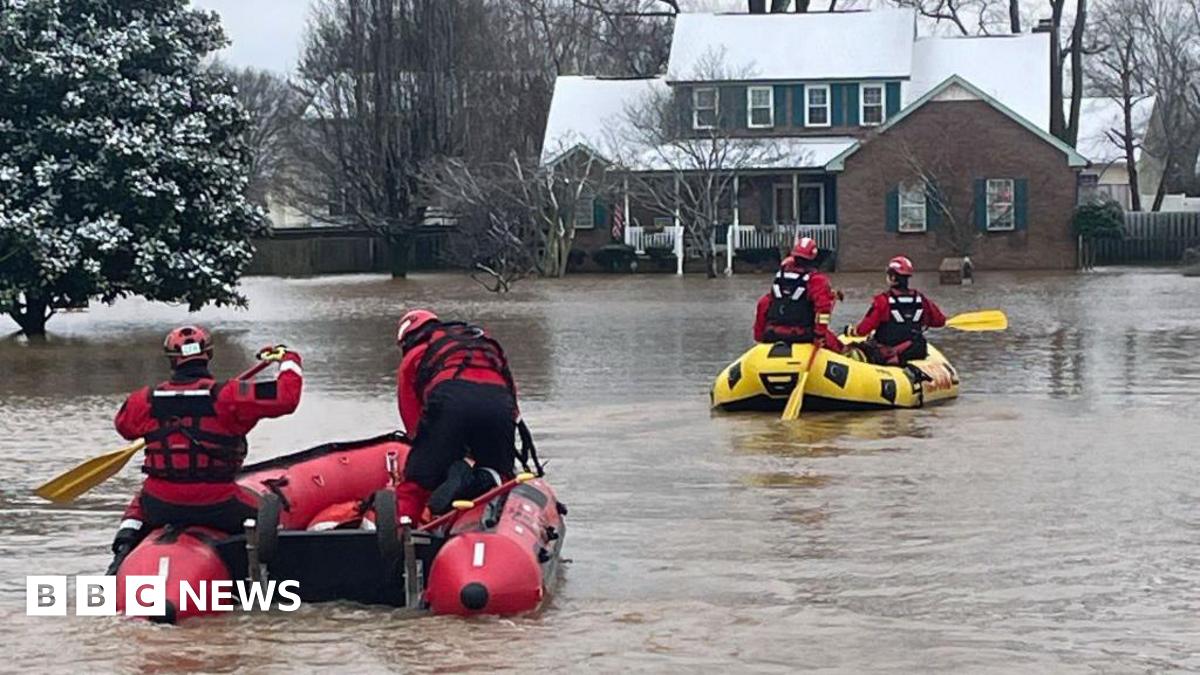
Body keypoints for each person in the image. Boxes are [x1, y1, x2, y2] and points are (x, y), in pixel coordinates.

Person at [106, 326, 303, 574]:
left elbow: (124, 427)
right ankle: (271, 573)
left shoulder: (143, 400)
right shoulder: (230, 396)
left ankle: (122, 552)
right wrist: (289, 359)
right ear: (208, 355)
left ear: (171, 359)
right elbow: (287, 397)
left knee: (140, 501)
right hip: (219, 503)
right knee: (270, 515)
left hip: (161, 504)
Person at [393, 310, 538, 524]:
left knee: (417, 482)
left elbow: (411, 415)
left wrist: (428, 454)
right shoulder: (481, 343)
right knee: (503, 476)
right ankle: (489, 492)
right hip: (498, 404)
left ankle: (403, 529)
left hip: (450, 401)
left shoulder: (416, 355)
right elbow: (510, 391)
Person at [850, 255, 947, 365]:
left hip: (887, 351)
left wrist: (853, 331)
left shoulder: (883, 301)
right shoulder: (922, 300)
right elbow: (940, 321)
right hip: (913, 350)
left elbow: (863, 329)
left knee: (856, 349)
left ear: (893, 278)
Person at [753, 236, 843, 353]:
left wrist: (760, 338)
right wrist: (819, 335)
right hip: (803, 335)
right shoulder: (816, 280)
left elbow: (763, 305)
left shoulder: (781, 279)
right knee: (840, 348)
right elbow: (823, 310)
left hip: (773, 334)